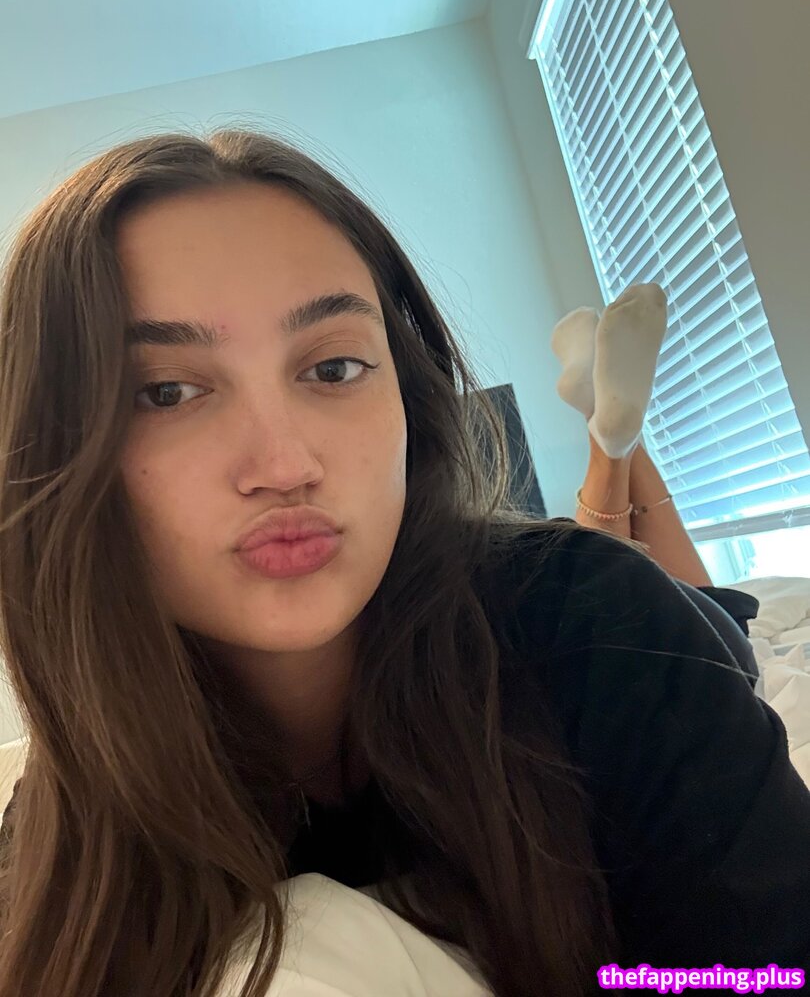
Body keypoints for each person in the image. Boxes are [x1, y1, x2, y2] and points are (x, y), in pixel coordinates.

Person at [0, 129, 807, 997]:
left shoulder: (598, 621)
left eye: (334, 367)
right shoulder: (65, 831)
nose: (285, 465)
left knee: (695, 597)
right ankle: (613, 439)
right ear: (55, 450)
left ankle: (616, 445)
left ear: (409, 401)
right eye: (166, 391)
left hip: (697, 636)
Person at [551, 290, 761, 687]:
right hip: (711, 672)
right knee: (709, 653)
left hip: (702, 669)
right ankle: (603, 428)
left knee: (684, 646)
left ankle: (604, 428)